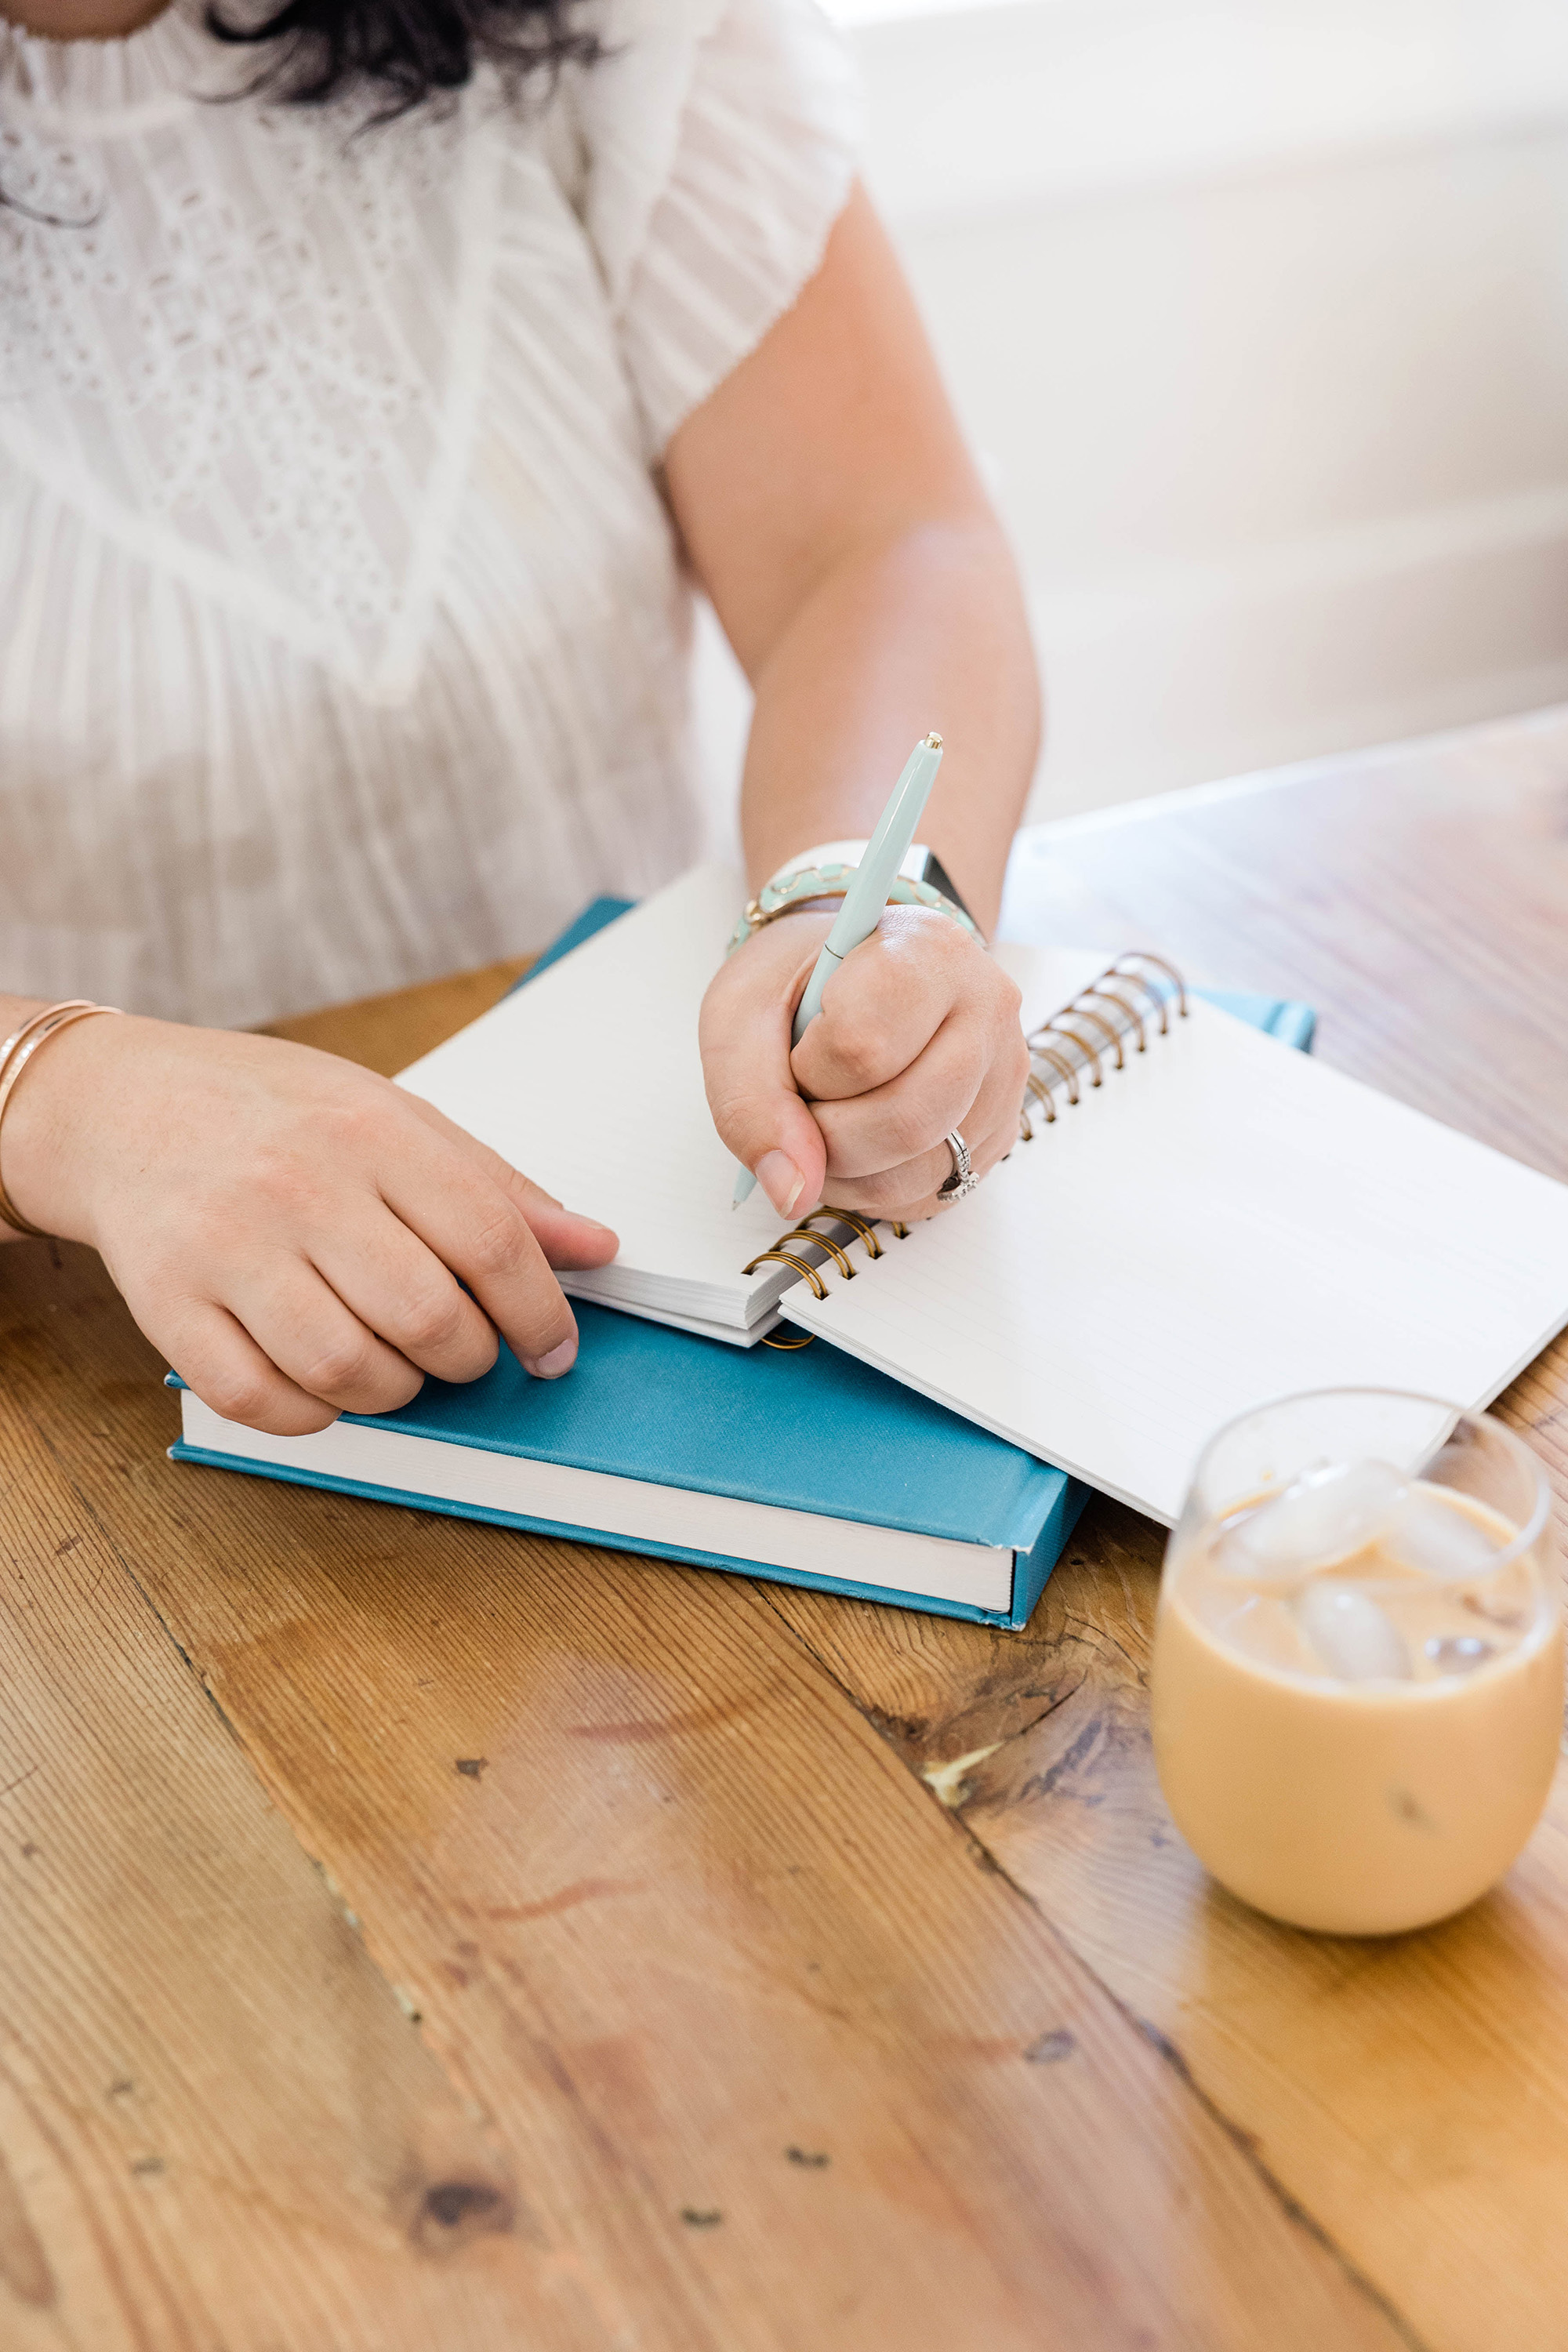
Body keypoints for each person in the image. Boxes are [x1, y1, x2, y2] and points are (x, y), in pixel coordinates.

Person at [0, 0, 1040, 1436]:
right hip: (61, 1363)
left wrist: (843, 897)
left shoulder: (618, 30)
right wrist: (59, 1095)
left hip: (645, 1220)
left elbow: (877, 544)